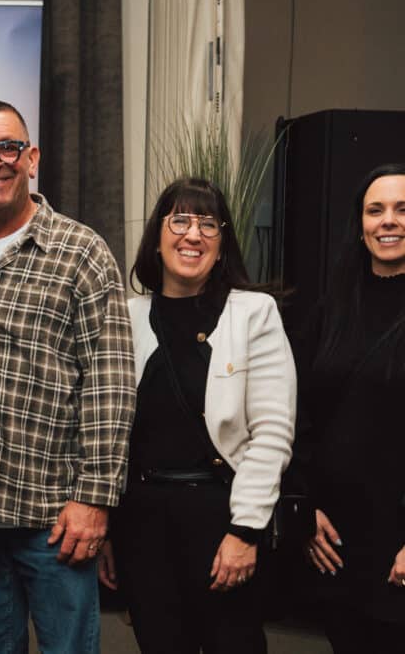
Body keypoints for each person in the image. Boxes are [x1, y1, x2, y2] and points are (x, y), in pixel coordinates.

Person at [0, 99, 136, 653]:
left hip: (55, 519)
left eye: (6, 147)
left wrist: (95, 499)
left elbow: (110, 382)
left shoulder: (81, 251)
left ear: (32, 157)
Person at [97, 178, 296, 653]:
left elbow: (272, 433)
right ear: (158, 235)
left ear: (222, 242)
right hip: (142, 525)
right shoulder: (125, 315)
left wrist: (245, 531)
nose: (193, 234)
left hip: (221, 516)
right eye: (180, 220)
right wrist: (106, 527)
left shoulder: (253, 313)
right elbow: (106, 429)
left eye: (208, 224)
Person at [295, 164, 405, 653]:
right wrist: (305, 509)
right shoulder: (330, 308)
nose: (389, 221)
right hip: (335, 538)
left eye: (403, 209)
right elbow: (299, 414)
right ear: (359, 226)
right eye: (375, 210)